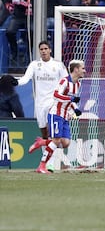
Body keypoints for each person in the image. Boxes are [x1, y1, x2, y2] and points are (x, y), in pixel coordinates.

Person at [19, 41, 68, 171]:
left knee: (53, 134)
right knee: (45, 134)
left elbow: (66, 82)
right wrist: (14, 82)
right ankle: (44, 163)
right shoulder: (35, 65)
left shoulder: (58, 65)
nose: (43, 51)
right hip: (39, 104)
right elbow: (25, 79)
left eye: (46, 48)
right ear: (39, 51)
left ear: (50, 50)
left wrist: (69, 103)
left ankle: (49, 163)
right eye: (41, 49)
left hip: (53, 103)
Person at [30, 59, 85, 174]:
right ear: (76, 69)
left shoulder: (78, 84)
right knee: (56, 141)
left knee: (66, 143)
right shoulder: (64, 81)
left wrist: (75, 109)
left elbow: (72, 99)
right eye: (82, 68)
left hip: (65, 116)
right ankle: (41, 166)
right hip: (56, 114)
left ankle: (42, 142)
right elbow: (56, 95)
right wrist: (71, 99)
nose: (84, 71)